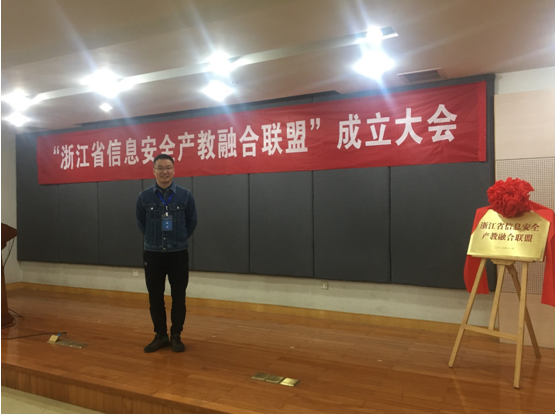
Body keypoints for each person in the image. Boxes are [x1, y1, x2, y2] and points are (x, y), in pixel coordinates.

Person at [136, 154, 197, 353]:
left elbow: (192, 222)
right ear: (153, 171)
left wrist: (179, 238)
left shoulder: (185, 196)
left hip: (178, 253)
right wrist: (154, 238)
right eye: (160, 168)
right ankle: (160, 335)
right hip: (153, 254)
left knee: (179, 297)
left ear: (174, 170)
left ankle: (176, 335)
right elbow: (141, 223)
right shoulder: (144, 197)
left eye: (168, 167)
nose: (164, 171)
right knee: (155, 297)